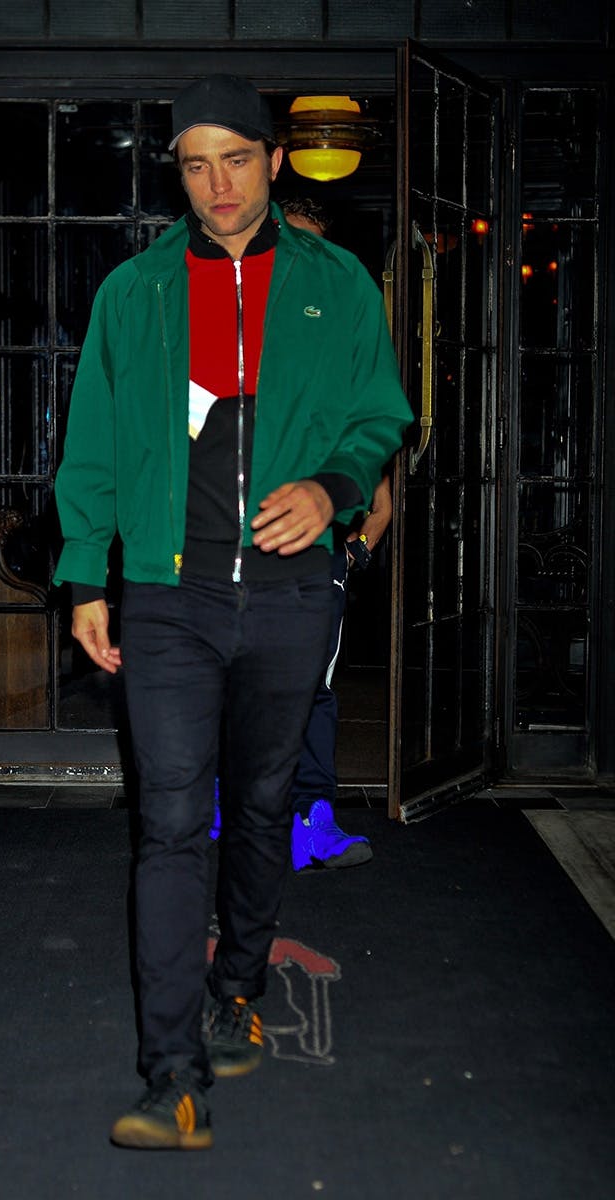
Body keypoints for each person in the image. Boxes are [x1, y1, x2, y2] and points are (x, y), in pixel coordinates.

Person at [54, 73, 411, 1151]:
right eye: (196, 165)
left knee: (258, 807)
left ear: (273, 159)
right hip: (169, 596)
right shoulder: (135, 293)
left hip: (292, 594)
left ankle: (238, 989)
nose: (217, 185)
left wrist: (334, 490)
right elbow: (93, 442)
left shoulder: (337, 283)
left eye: (237, 160)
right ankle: (170, 1075)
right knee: (168, 823)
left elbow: (377, 416)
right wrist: (86, 576)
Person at [210, 197, 395, 870]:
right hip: (228, 557)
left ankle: (311, 819)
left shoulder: (343, 364)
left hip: (317, 566)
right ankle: (225, 806)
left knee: (309, 689)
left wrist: (354, 554)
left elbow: (380, 496)